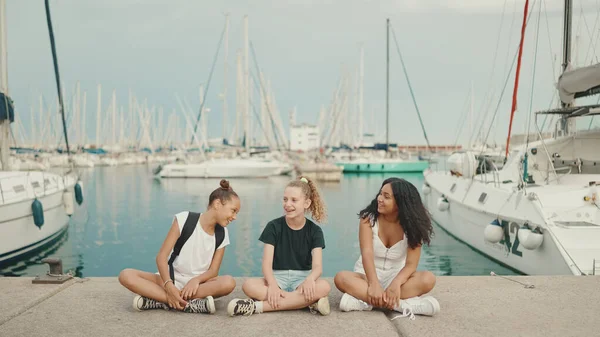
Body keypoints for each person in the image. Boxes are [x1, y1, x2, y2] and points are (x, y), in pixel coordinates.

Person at [118, 179, 239, 314]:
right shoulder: (184, 219)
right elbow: (161, 257)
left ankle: (161, 300)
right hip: (171, 278)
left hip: (198, 286)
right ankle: (188, 303)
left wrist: (195, 280)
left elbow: (213, 271)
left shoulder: (222, 233)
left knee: (229, 282)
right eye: (233, 211)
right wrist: (168, 285)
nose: (234, 217)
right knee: (126, 275)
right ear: (217, 204)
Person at [334, 177, 440, 320]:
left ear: (400, 203)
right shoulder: (368, 219)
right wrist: (373, 284)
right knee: (341, 278)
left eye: (386, 196)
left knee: (428, 279)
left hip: (397, 277)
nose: (379, 198)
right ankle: (399, 305)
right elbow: (367, 253)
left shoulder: (413, 226)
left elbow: (411, 265)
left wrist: (395, 284)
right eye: (380, 193)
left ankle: (366, 302)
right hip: (367, 275)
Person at [227, 176, 331, 316]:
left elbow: (318, 267)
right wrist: (273, 285)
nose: (287, 204)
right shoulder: (273, 227)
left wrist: (310, 280)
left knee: (324, 286)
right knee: (248, 286)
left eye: (294, 200)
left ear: (307, 203)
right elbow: (266, 264)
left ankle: (256, 307)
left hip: (302, 279)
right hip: (276, 277)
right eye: (285, 199)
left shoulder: (315, 231)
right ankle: (305, 302)